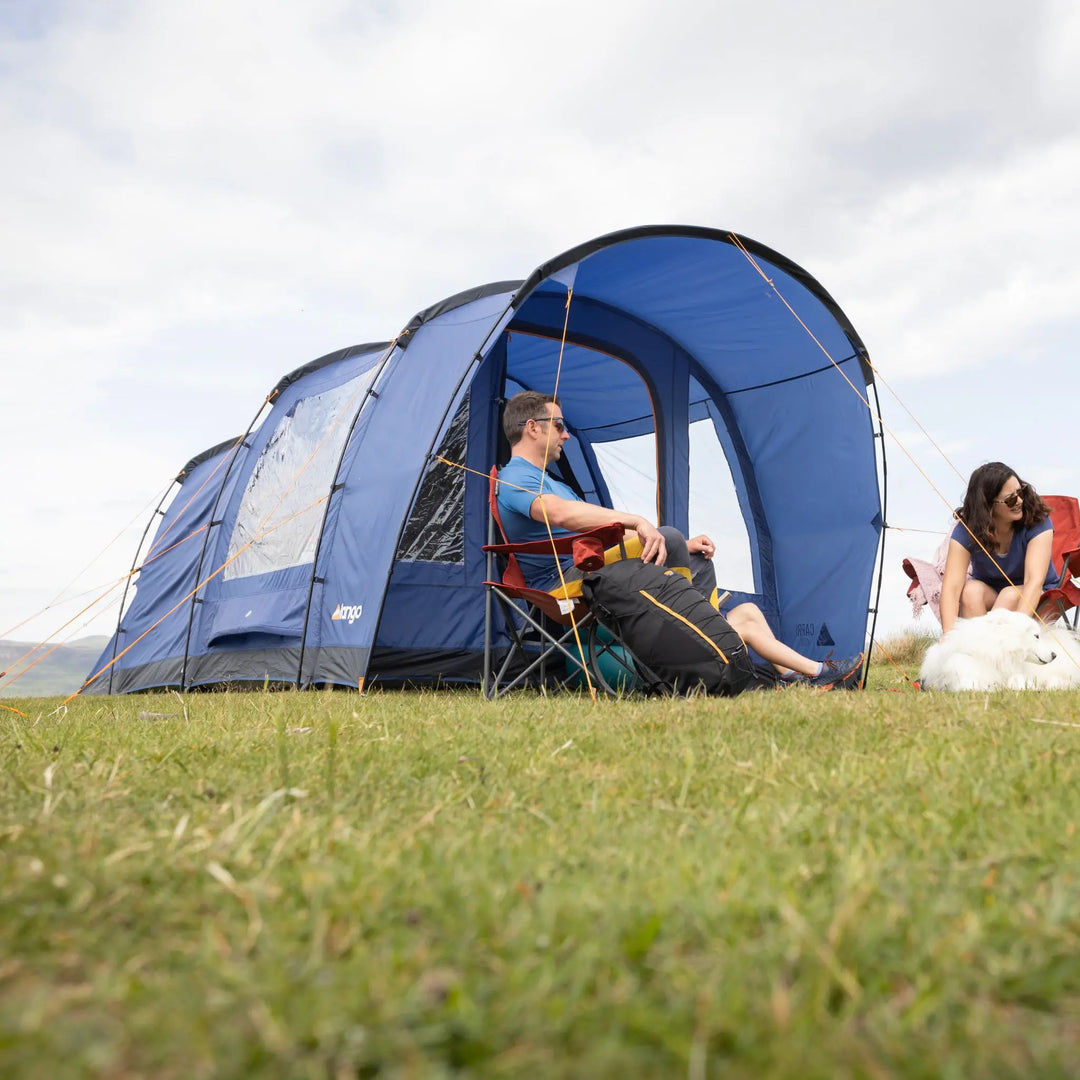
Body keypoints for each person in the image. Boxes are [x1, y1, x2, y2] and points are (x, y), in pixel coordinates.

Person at [496, 391, 863, 689]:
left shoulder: (555, 481)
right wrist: (637, 521)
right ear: (532, 427)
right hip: (566, 584)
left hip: (592, 568)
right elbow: (560, 515)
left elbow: (598, 533)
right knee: (669, 538)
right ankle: (709, 643)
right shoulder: (514, 479)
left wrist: (677, 546)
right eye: (559, 425)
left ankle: (752, 660)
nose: (566, 435)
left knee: (696, 557)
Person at [939, 461, 1058, 636]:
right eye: (1010, 499)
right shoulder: (967, 530)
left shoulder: (1037, 519)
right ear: (988, 505)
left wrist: (1018, 631)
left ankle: (994, 649)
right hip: (992, 593)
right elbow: (951, 588)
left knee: (1009, 594)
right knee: (971, 592)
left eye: (1021, 492)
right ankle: (977, 653)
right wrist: (948, 637)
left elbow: (1034, 581)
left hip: (1039, 594)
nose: (1019, 501)